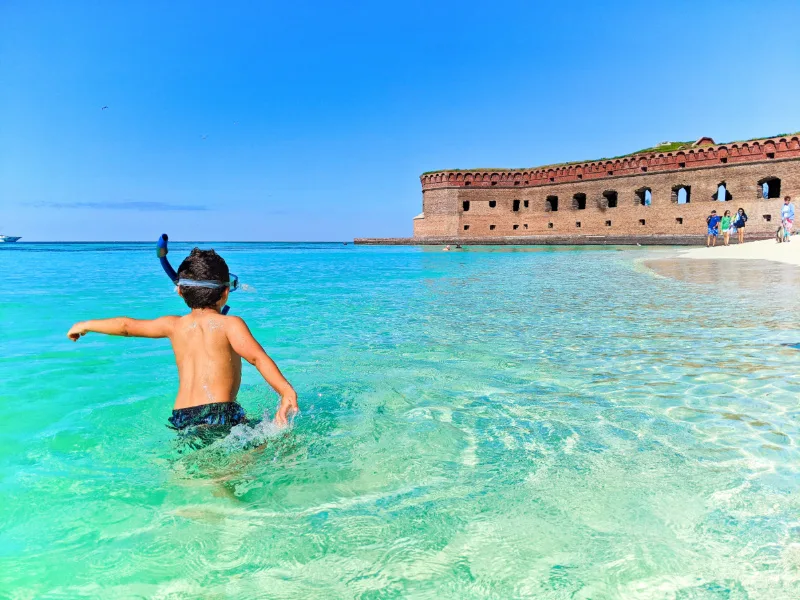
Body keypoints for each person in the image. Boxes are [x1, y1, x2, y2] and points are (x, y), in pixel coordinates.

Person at [67, 248, 299, 437]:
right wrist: (285, 391)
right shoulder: (230, 324)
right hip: (219, 411)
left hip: (182, 416)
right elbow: (258, 358)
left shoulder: (173, 325)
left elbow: (126, 326)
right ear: (226, 292)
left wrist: (85, 324)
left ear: (180, 292)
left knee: (203, 460)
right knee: (271, 444)